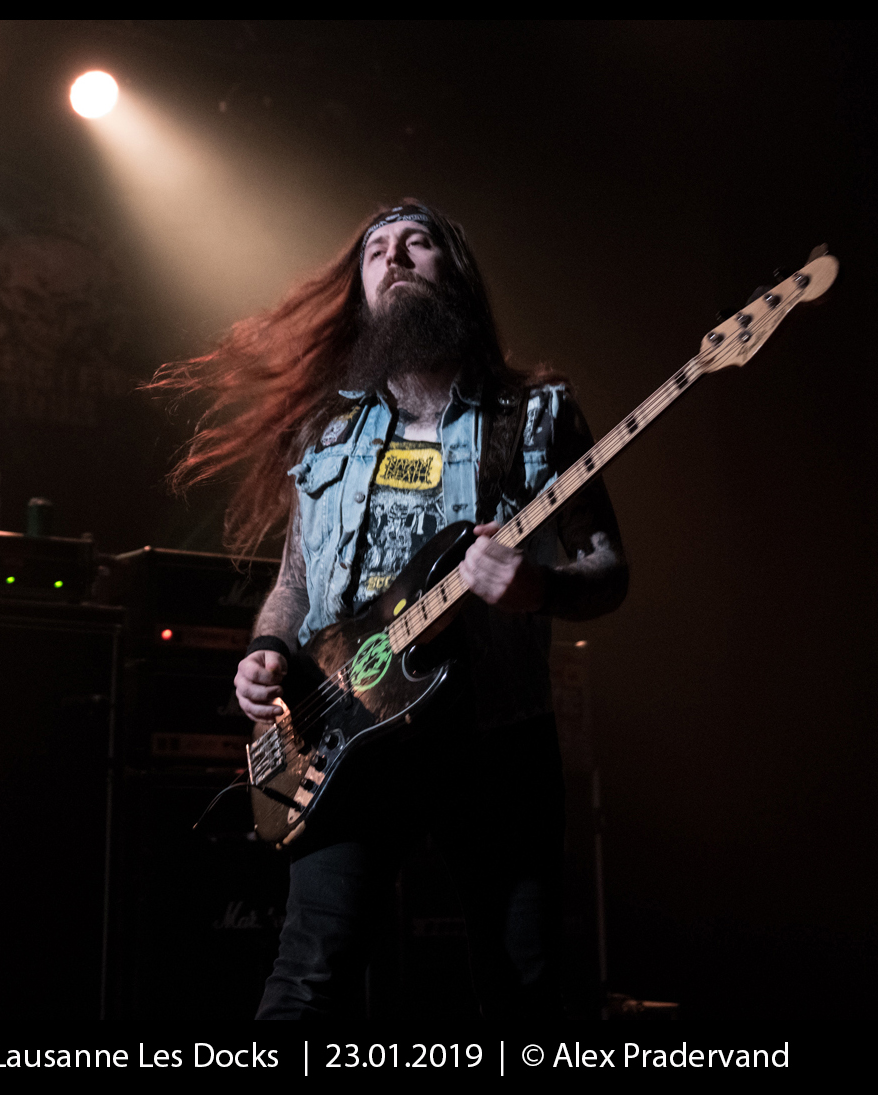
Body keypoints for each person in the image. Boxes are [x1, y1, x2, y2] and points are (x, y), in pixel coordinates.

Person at [153, 200, 627, 1018]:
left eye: (418, 243)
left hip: (496, 742)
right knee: (306, 982)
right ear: (361, 290)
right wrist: (267, 649)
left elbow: (608, 568)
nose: (394, 258)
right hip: (345, 734)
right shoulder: (327, 429)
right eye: (375, 250)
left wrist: (540, 588)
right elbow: (294, 580)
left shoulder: (536, 414)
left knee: (524, 991)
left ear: (456, 271)